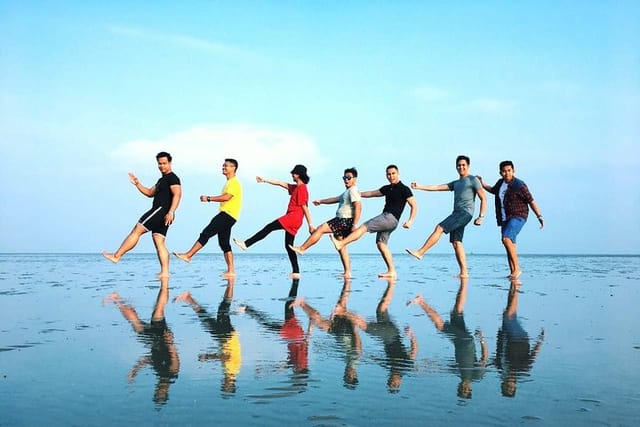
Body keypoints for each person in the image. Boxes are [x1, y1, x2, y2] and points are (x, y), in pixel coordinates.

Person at [102, 151, 182, 278]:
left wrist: (171, 211)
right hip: (164, 213)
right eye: (160, 164)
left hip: (161, 211)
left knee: (136, 230)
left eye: (164, 163)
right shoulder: (162, 180)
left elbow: (177, 194)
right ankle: (165, 273)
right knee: (159, 242)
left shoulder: (172, 178)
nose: (162, 166)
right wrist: (137, 183)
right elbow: (150, 192)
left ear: (170, 163)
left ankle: (117, 256)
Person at [330, 164, 417, 278]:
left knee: (363, 227)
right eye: (388, 174)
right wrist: (358, 194)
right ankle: (392, 271)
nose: (391, 176)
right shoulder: (387, 188)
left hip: (389, 218)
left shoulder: (404, 189)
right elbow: (371, 193)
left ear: (398, 173)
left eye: (393, 174)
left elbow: (414, 205)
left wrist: (410, 221)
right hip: (390, 221)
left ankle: (342, 243)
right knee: (381, 244)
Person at [103, 276, 180, 406]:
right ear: (166, 391)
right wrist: (170, 342)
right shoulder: (171, 374)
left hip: (154, 340)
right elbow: (175, 359)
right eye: (161, 392)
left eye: (157, 392)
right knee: (158, 310)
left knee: (136, 325)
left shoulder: (159, 374)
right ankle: (165, 284)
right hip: (163, 338)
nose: (159, 389)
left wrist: (136, 369)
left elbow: (150, 359)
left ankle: (117, 299)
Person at [406, 155, 486, 278]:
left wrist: (481, 216)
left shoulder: (473, 180)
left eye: (464, 165)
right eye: (459, 165)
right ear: (456, 167)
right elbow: (437, 187)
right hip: (457, 213)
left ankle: (421, 252)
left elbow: (483, 198)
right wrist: (419, 186)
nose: (461, 167)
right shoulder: (456, 183)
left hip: (464, 213)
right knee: (456, 242)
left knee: (439, 228)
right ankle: (464, 272)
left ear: (468, 166)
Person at [407, 277, 488, 399]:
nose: (464, 387)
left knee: (457, 311)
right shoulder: (477, 376)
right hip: (465, 342)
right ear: (470, 388)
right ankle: (421, 302)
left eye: (461, 389)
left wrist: (423, 367)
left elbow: (440, 366)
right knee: (440, 326)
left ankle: (464, 283)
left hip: (459, 341)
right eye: (466, 389)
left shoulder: (459, 373)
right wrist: (482, 338)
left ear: (458, 387)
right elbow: (484, 358)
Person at [233, 165, 314, 279]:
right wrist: (265, 180)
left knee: (269, 227)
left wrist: (310, 224)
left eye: (293, 173)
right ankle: (296, 272)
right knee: (288, 245)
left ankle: (247, 244)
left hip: (293, 217)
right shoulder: (296, 187)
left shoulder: (302, 189)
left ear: (298, 174)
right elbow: (281, 183)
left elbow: (305, 206)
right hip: (295, 219)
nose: (292, 175)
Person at [173, 158, 242, 278]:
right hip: (230, 215)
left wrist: (209, 198)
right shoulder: (230, 182)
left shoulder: (233, 182)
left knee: (206, 233)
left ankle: (188, 255)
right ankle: (231, 271)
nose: (223, 167)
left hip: (227, 214)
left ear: (233, 168)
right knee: (224, 243)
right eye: (223, 165)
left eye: (226, 166)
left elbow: (227, 197)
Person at [173, 278, 241, 395]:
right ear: (231, 383)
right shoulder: (232, 370)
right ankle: (231, 283)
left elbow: (225, 356)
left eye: (223, 386)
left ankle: (189, 298)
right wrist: (208, 357)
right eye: (226, 386)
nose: (223, 384)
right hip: (227, 336)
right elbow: (227, 357)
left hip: (224, 337)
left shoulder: (228, 372)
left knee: (210, 317)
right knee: (222, 309)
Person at [289, 167, 362, 278]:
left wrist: (355, 225)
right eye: (344, 178)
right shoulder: (347, 192)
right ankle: (347, 272)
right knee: (341, 247)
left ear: (355, 179)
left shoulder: (353, 191)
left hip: (344, 220)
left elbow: (358, 207)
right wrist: (321, 201)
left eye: (349, 178)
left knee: (320, 229)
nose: (346, 180)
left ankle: (302, 249)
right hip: (343, 220)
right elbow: (334, 199)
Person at [477, 160, 544, 279]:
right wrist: (482, 183)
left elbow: (531, 201)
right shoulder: (500, 183)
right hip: (505, 218)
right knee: (509, 244)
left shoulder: (520, 185)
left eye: (509, 171)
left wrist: (539, 216)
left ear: (513, 171)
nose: (507, 173)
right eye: (504, 171)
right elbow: (493, 190)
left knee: (506, 239)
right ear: (500, 173)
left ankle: (517, 268)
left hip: (519, 215)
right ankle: (513, 272)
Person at [495, 279, 545, 397]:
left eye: (506, 386)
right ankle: (516, 288)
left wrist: (482, 338)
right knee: (508, 316)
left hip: (506, 334)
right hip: (519, 338)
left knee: (507, 312)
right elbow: (533, 354)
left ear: (502, 384)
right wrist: (540, 340)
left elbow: (497, 353)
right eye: (511, 387)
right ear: (515, 385)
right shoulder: (523, 369)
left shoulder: (501, 368)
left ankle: (512, 286)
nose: (509, 384)